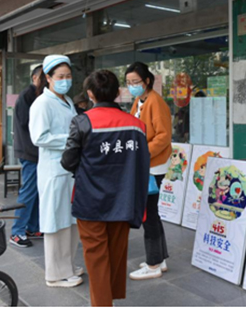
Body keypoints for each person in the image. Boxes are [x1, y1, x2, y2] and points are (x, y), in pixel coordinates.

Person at [61, 70, 151, 306]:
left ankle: (102, 303)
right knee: (115, 254)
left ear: (90, 94)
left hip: (90, 201)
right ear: (118, 92)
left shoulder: (83, 122)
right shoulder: (137, 126)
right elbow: (143, 166)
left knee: (96, 257)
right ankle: (108, 299)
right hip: (123, 200)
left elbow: (68, 161)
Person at [29, 55, 83, 288]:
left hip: (69, 170)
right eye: (60, 76)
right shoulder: (42, 103)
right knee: (56, 222)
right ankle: (55, 274)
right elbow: (39, 137)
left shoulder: (67, 100)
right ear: (48, 78)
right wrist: (72, 140)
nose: (65, 81)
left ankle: (67, 265)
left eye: (68, 76)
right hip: (54, 170)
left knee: (70, 220)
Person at [126, 62, 172, 280]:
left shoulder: (155, 101)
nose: (132, 86)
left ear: (146, 81)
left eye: (135, 81)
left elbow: (163, 136)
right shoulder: (140, 100)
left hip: (153, 165)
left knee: (148, 214)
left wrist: (143, 152)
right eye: (128, 82)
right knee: (152, 212)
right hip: (147, 163)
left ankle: (153, 264)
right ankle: (159, 259)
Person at [10, 64, 44, 248]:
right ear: (34, 77)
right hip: (29, 152)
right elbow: (26, 122)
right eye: (43, 77)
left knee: (36, 192)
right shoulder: (27, 95)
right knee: (29, 191)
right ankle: (17, 232)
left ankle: (33, 227)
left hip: (35, 152)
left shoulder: (38, 95)